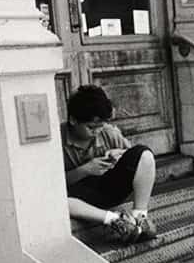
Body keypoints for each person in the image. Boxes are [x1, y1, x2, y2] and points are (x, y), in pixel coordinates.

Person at [62, 85, 158, 243]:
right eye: (91, 127)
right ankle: (115, 220)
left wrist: (118, 154)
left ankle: (140, 218)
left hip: (107, 190)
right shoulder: (56, 140)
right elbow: (53, 188)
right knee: (58, 202)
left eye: (100, 126)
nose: (97, 131)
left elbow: (139, 164)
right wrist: (85, 170)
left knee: (145, 154)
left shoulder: (108, 131)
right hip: (77, 198)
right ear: (73, 120)